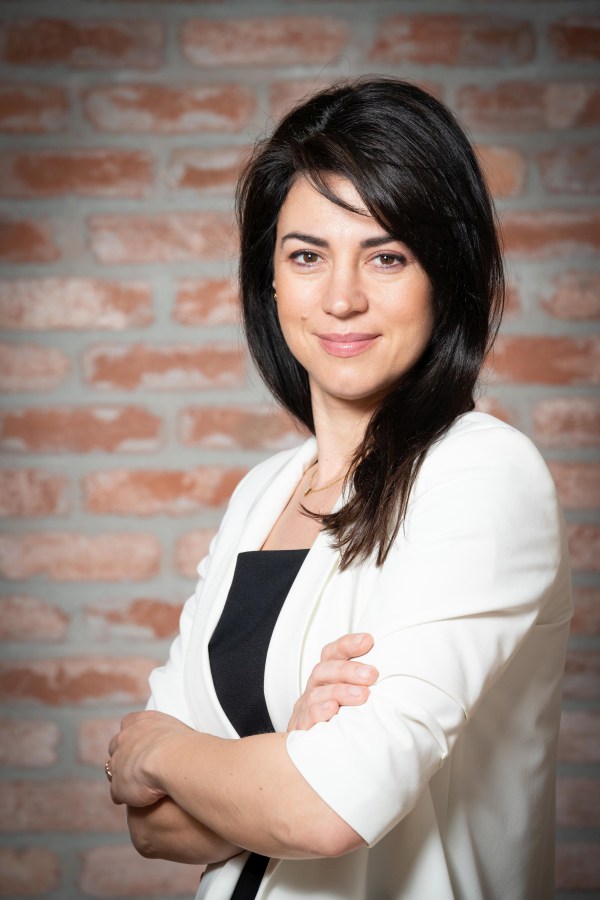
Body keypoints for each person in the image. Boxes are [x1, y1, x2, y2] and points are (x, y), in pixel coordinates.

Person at [105, 78, 572, 900]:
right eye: (306, 255)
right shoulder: (262, 493)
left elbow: (326, 811)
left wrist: (160, 750)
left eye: (387, 256)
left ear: (445, 274)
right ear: (270, 278)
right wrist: (287, 755)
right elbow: (151, 825)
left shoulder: (482, 476)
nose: (342, 298)